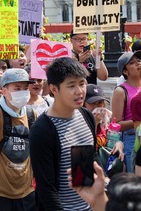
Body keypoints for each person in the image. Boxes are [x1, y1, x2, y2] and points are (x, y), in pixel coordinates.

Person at [30, 57, 99, 210]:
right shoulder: (42, 130)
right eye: (71, 85)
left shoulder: (86, 116)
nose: (79, 91)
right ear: (54, 89)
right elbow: (46, 188)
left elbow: (84, 166)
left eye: (82, 84)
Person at [0, 67, 36, 210]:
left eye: (25, 87)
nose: (23, 91)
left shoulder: (31, 114)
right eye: (17, 88)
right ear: (4, 91)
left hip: (26, 194)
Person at [112, 51, 141, 172]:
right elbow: (115, 125)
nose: (138, 63)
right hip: (131, 139)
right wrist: (136, 121)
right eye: (133, 63)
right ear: (125, 71)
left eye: (139, 60)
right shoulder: (121, 90)